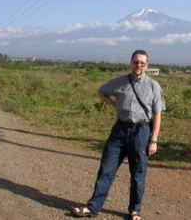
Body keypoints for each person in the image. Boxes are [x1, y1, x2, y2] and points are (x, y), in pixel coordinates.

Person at [70, 50, 165, 220]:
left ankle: (135, 211)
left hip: (141, 132)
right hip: (119, 131)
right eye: (136, 62)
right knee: (106, 168)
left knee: (138, 174)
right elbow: (101, 91)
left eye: (142, 63)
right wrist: (114, 105)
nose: (139, 65)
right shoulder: (120, 82)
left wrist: (154, 140)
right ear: (131, 63)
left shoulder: (153, 86)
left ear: (147, 65)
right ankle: (93, 207)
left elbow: (157, 114)